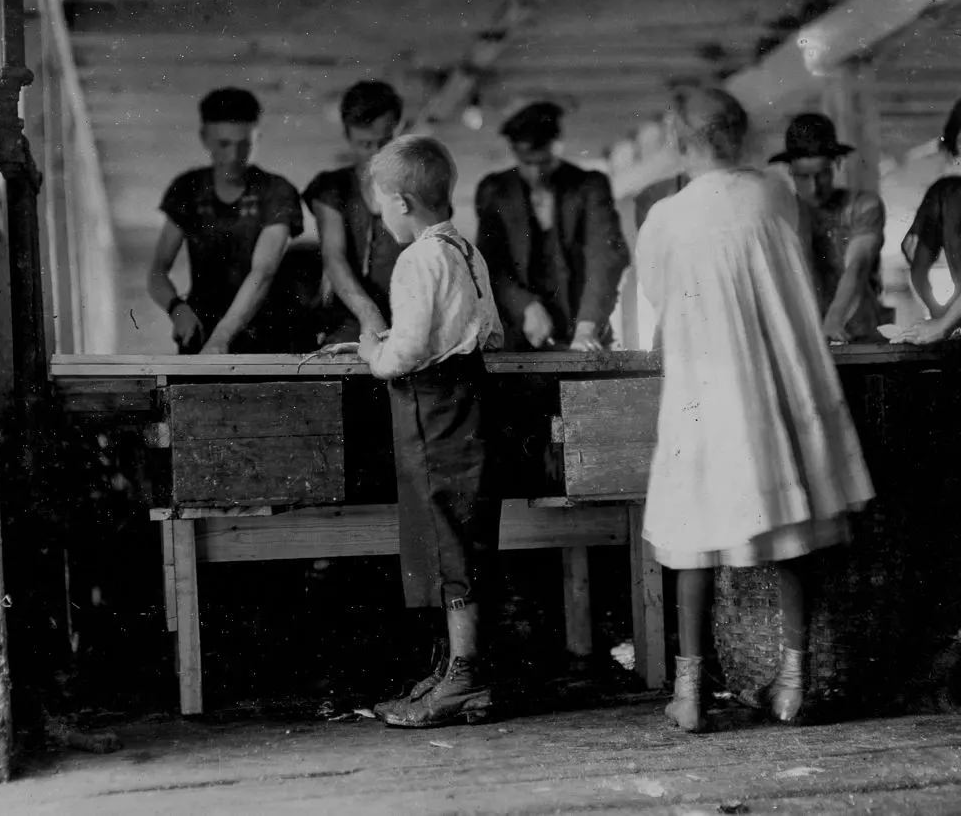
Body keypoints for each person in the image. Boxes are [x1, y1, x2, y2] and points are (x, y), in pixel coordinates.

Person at [636, 88, 873, 733]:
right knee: (790, 532)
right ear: (739, 137)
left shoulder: (665, 218)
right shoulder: (774, 196)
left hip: (703, 396)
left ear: (680, 140)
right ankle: (793, 685)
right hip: (773, 393)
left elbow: (660, 296)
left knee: (690, 539)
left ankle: (688, 696)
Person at [357, 135, 503, 728]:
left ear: (401, 201)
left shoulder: (417, 258)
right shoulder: (465, 250)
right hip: (466, 401)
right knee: (459, 532)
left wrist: (374, 351)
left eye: (380, 205)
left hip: (433, 411)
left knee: (447, 537)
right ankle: (453, 669)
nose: (380, 216)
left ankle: (465, 678)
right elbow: (485, 329)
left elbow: (410, 349)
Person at [147, 88, 304, 354]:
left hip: (267, 335)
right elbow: (157, 272)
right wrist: (177, 308)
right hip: (201, 333)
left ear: (258, 137)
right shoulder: (188, 189)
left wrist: (222, 336)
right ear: (204, 138)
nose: (233, 156)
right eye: (224, 144)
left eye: (245, 144)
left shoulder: (276, 191)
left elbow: (263, 272)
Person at [475, 101, 630, 352]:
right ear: (514, 152)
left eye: (544, 163)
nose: (536, 174)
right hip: (519, 338)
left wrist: (587, 327)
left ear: (556, 147)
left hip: (582, 334)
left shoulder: (590, 186)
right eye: (527, 164)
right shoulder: (495, 191)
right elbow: (489, 265)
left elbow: (606, 257)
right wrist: (525, 306)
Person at [771, 113, 889, 343]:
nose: (814, 187)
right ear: (789, 171)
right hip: (801, 337)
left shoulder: (863, 205)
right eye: (803, 176)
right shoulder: (780, 214)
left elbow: (858, 265)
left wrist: (834, 318)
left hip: (859, 333)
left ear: (836, 164)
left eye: (821, 174)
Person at [304, 81, 406, 343]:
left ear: (398, 129)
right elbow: (333, 257)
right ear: (348, 135)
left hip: (410, 315)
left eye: (384, 142)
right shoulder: (332, 187)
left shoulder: (417, 184)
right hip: (350, 318)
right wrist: (369, 315)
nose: (375, 154)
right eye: (365, 144)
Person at [896, 98, 961, 344]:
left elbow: (919, 268)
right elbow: (919, 268)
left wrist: (943, 321)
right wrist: (941, 318)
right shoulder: (947, 194)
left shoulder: (946, 194)